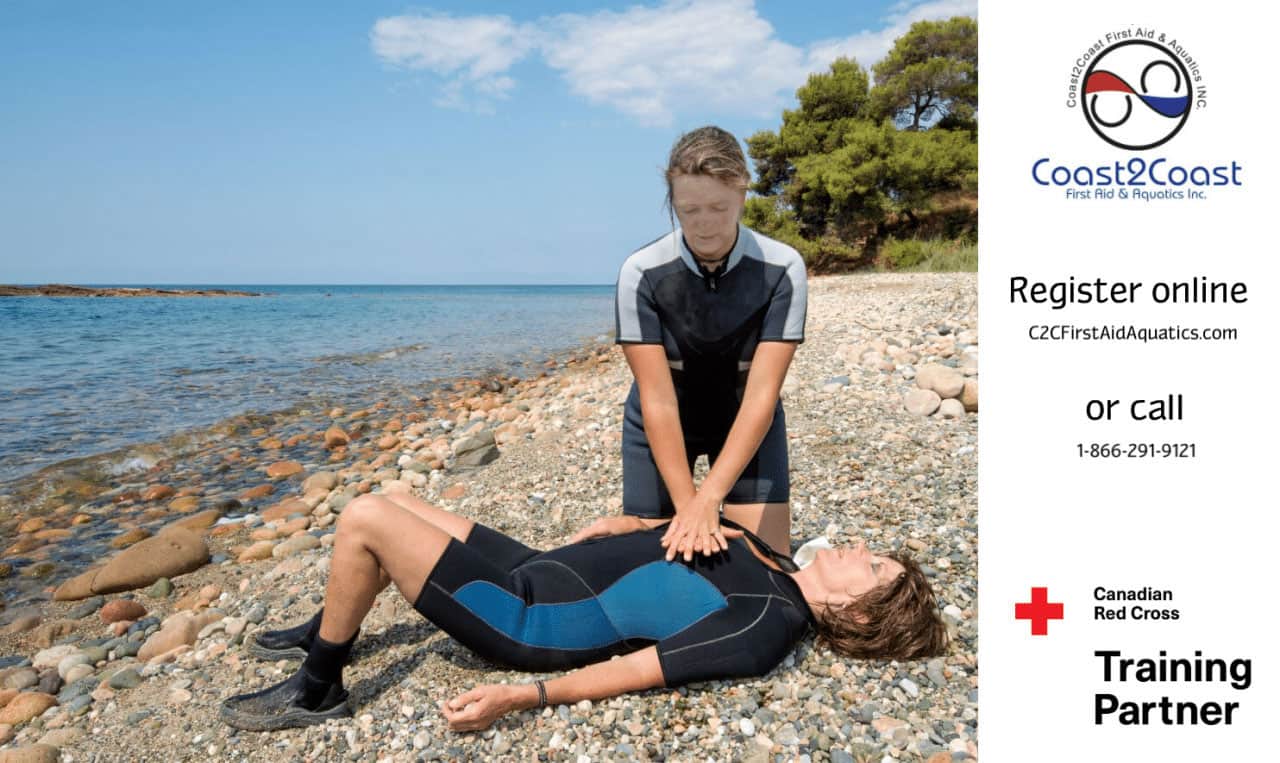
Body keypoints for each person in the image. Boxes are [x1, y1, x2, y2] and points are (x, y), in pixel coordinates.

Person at [220, 492, 946, 732]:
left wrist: (521, 694)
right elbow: (680, 540)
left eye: (872, 563)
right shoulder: (773, 559)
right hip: (537, 563)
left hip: (531, 613)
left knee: (367, 517)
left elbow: (639, 668)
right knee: (398, 497)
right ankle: (328, 623)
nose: (857, 547)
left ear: (858, 609)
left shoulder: (765, 623)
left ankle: (321, 683)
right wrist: (630, 524)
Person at [614, 125, 806, 563]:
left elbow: (762, 393)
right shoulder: (640, 272)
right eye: (688, 209)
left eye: (718, 207)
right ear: (673, 204)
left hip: (745, 414)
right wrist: (691, 509)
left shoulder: (783, 268)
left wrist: (710, 500)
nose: (703, 224)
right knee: (663, 565)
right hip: (663, 418)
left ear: (742, 196)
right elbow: (657, 400)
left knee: (768, 568)